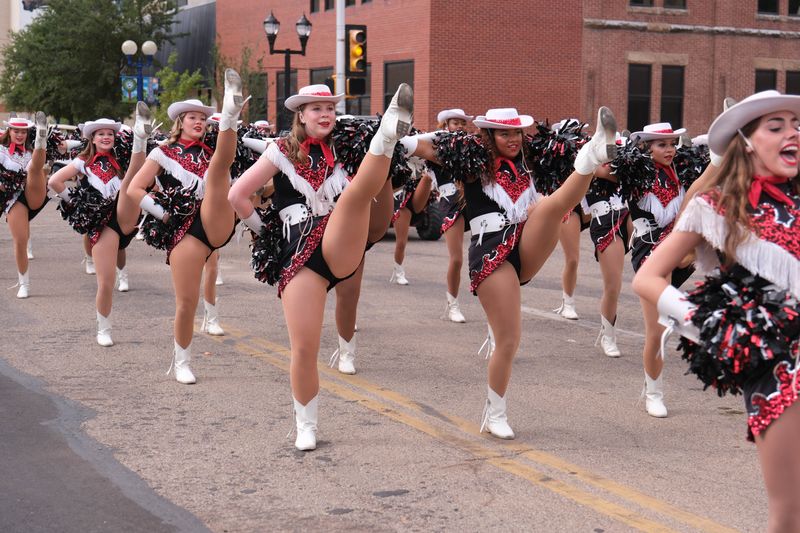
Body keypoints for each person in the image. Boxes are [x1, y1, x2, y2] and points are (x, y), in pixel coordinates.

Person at [632, 90, 800, 532]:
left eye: (795, 124)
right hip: (778, 369)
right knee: (790, 513)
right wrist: (710, 328)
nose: (792, 133)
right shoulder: (717, 207)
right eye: (776, 126)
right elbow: (648, 278)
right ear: (747, 140)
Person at [400, 106, 618, 439]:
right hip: (491, 253)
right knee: (509, 340)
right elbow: (431, 147)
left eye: (516, 132)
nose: (513, 139)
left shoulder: (533, 162)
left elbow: (563, 161)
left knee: (550, 206)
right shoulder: (472, 162)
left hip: (526, 243)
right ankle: (495, 410)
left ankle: (590, 156)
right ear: (488, 135)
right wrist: (400, 136)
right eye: (504, 133)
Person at [229, 83, 413, 450]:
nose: (325, 114)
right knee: (304, 347)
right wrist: (266, 233)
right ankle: (306, 425)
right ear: (300, 115)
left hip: (341, 239)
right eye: (316, 109)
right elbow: (237, 195)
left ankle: (387, 137)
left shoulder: (346, 148)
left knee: (357, 194)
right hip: (298, 255)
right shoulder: (279, 150)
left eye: (329, 108)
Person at [128, 69, 244, 384]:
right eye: (192, 117)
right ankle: (182, 360)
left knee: (222, 165)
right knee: (186, 302)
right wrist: (163, 214)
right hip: (183, 230)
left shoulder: (212, 155)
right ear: (180, 122)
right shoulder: (162, 153)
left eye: (203, 119)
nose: (199, 122)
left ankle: (231, 113)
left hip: (214, 219)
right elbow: (134, 190)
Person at [48, 103, 152, 345]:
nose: (106, 137)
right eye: (101, 134)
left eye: (110, 134)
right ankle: (103, 328)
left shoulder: (121, 160)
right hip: (102, 225)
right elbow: (54, 181)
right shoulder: (82, 162)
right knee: (105, 283)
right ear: (92, 139)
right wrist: (74, 203)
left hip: (125, 214)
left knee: (131, 182)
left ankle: (140, 137)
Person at [628, 121, 691, 418]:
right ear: (646, 147)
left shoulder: (684, 172)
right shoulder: (635, 173)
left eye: (672, 144)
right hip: (650, 251)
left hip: (679, 249)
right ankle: (654, 391)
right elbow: (604, 170)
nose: (669, 149)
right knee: (658, 329)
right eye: (661, 144)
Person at [584, 135, 631, 357]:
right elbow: (606, 172)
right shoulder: (593, 166)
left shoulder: (630, 167)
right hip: (605, 225)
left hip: (629, 218)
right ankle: (608, 335)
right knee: (613, 285)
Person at [1, 113, 48, 298]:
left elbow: (65, 148)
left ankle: (41, 139)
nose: (20, 135)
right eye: (16, 131)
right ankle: (24, 283)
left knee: (35, 169)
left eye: (23, 132)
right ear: (9, 131)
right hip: (14, 199)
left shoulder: (30, 153)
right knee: (21, 240)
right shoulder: (1, 150)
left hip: (35, 192)